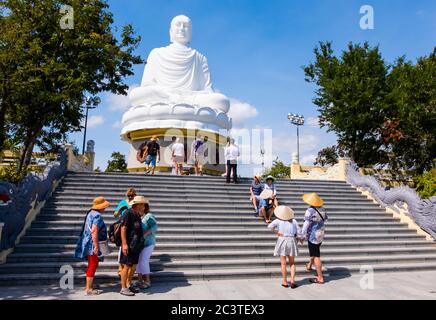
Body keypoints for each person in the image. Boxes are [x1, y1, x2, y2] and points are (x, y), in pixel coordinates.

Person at [74, 197, 110, 296]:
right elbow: (94, 231)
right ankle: (88, 289)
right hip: (92, 243)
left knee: (92, 263)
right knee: (93, 264)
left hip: (87, 242)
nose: (105, 208)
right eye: (104, 206)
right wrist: (96, 246)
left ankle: (90, 285)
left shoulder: (90, 213)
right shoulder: (97, 215)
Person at [119, 196, 147, 296]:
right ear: (138, 205)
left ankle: (128, 284)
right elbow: (123, 228)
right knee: (126, 266)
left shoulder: (137, 215)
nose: (144, 207)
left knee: (133, 265)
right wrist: (124, 244)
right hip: (129, 245)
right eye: (143, 204)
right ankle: (123, 288)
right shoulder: (128, 213)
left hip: (135, 245)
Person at [268, 206, 302, 289]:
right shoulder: (294, 221)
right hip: (291, 240)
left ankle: (285, 281)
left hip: (282, 240)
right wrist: (300, 239)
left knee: (283, 263)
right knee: (292, 263)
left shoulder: (278, 220)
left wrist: (277, 232)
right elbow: (299, 232)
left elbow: (269, 226)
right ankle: (293, 281)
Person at [301, 193, 328, 285]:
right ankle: (309, 265)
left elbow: (306, 224)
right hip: (321, 233)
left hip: (313, 235)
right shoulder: (323, 209)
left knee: (316, 255)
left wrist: (302, 235)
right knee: (315, 250)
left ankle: (320, 277)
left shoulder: (310, 210)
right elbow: (325, 220)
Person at [114, 188, 136, 278]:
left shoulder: (136, 203)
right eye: (129, 195)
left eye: (132, 195)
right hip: (123, 226)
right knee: (121, 249)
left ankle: (128, 268)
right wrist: (119, 211)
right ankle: (120, 268)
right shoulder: (123, 202)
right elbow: (115, 214)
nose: (130, 197)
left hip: (133, 228)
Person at [136, 200, 158, 289]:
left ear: (144, 207)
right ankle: (139, 280)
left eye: (140, 205)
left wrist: (145, 234)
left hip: (149, 243)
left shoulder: (149, 216)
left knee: (144, 261)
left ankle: (147, 281)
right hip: (141, 244)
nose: (138, 207)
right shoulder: (140, 217)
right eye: (138, 205)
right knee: (139, 261)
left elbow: (154, 227)